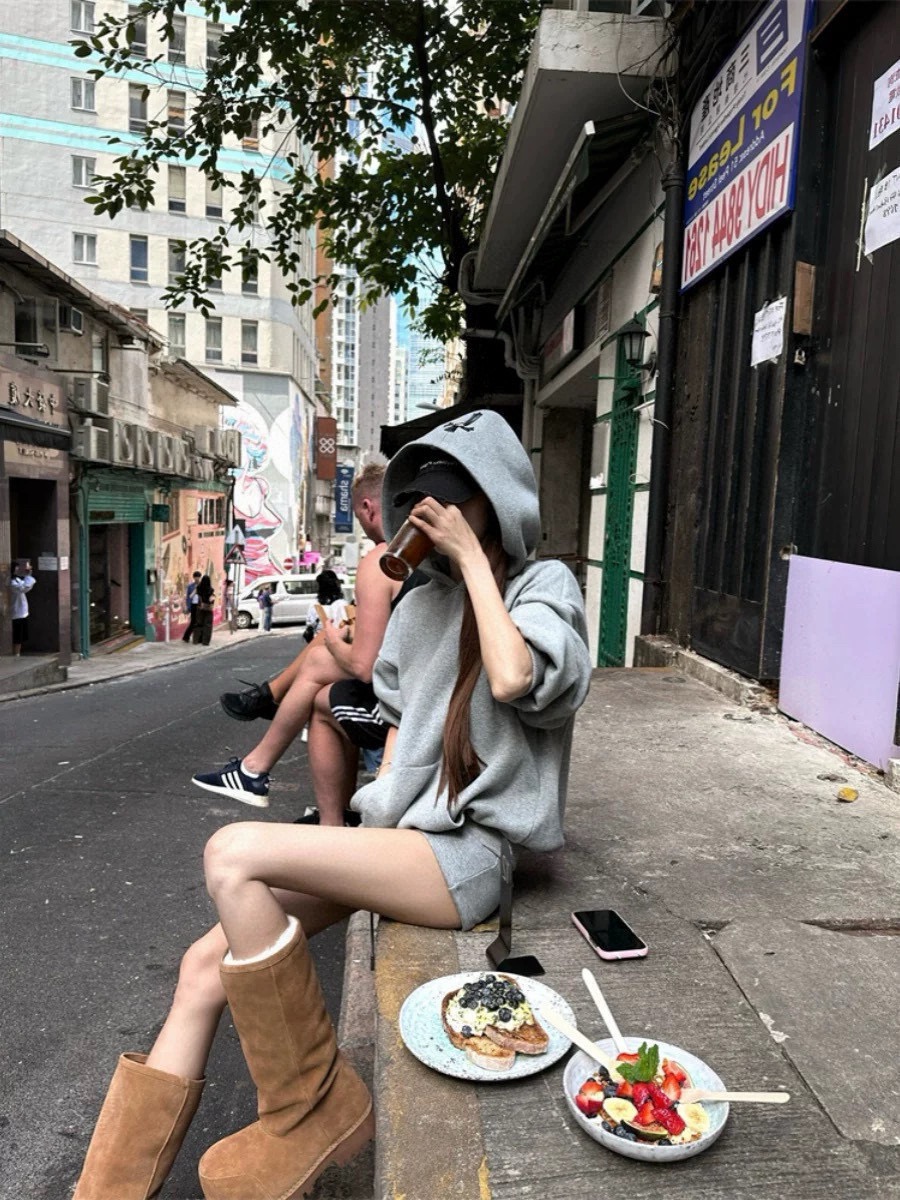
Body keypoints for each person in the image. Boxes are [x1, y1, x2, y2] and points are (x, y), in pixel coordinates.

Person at [71, 409, 591, 1200]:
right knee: (203, 967)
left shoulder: (541, 587)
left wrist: (473, 562)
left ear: (496, 499)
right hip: (402, 846)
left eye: (453, 497)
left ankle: (313, 1107)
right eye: (421, 497)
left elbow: (518, 679)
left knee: (233, 852)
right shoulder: (423, 603)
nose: (431, 511)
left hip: (470, 856)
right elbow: (390, 713)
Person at [192, 464, 403, 809]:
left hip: (414, 701)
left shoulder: (384, 558)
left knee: (321, 689)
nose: (363, 529)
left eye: (358, 518)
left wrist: (334, 639)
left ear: (368, 508)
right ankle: (261, 740)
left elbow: (364, 667)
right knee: (322, 666)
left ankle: (264, 766)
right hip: (427, 683)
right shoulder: (422, 550)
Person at [302, 568, 349, 644]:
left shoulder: (315, 604)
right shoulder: (343, 604)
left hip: (319, 642)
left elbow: (310, 624)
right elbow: (347, 626)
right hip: (338, 643)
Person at [9, 558, 35, 656]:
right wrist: (28, 576)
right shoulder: (11, 582)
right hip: (15, 612)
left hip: (21, 612)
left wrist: (28, 575)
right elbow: (23, 588)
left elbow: (26, 587)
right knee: (16, 636)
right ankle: (15, 654)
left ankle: (17, 653)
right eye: (15, 569)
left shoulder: (17, 580)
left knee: (20, 636)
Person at [191, 575, 215, 646]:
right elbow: (212, 600)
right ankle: (205, 642)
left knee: (198, 624)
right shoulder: (211, 589)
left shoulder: (198, 588)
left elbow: (191, 596)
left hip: (199, 608)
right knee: (208, 625)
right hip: (208, 609)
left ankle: (196, 640)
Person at [181, 572, 202, 644]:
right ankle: (186, 637)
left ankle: (197, 638)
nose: (197, 578)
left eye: (198, 577)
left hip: (200, 606)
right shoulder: (190, 586)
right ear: (194, 577)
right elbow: (188, 597)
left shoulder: (202, 585)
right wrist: (188, 607)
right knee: (193, 622)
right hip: (193, 605)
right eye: (196, 577)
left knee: (199, 622)